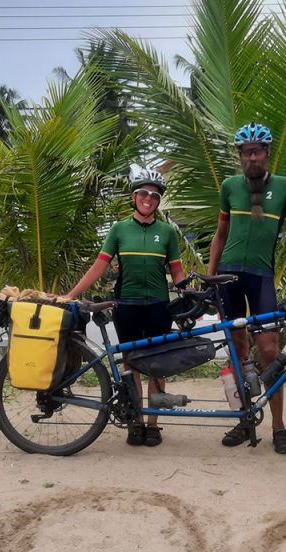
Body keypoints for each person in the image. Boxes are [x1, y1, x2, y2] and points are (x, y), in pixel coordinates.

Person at [207, 122, 286, 454]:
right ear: (240, 156)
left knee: (269, 351)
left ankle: (278, 426)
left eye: (257, 151)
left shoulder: (285, 187)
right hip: (228, 278)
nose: (252, 157)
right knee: (236, 353)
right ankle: (243, 419)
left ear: (267, 153)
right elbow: (220, 236)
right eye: (246, 152)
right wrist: (209, 279)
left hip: (261, 277)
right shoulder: (230, 187)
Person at [61, 167, 186, 448]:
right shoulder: (119, 229)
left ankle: (152, 423)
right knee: (131, 364)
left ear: (158, 201)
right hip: (127, 305)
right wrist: (71, 294)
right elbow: (99, 266)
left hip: (158, 305)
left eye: (154, 195)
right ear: (134, 196)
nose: (148, 198)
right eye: (143, 193)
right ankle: (136, 422)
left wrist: (190, 294)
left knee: (157, 365)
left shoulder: (166, 232)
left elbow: (177, 273)